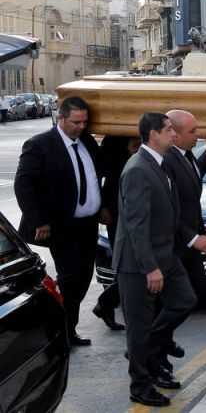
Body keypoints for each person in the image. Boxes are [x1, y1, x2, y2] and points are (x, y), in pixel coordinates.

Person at [114, 112, 198, 407]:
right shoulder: (138, 168)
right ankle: (140, 384)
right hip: (138, 264)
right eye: (168, 130)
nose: (174, 135)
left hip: (166, 254)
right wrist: (150, 267)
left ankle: (150, 347)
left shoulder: (160, 164)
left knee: (185, 300)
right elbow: (137, 225)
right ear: (153, 134)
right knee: (138, 327)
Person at [15, 96, 103, 347]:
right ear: (60, 118)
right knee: (70, 276)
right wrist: (39, 220)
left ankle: (68, 327)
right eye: (76, 122)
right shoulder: (40, 145)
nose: (81, 127)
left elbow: (97, 176)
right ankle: (59, 331)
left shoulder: (86, 142)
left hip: (88, 224)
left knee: (84, 276)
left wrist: (103, 206)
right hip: (61, 225)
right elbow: (24, 186)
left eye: (85, 122)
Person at [164, 111, 206, 300]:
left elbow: (191, 177)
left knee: (198, 290)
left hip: (192, 236)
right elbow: (167, 208)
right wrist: (193, 238)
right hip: (177, 240)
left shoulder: (186, 154)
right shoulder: (167, 160)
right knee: (181, 298)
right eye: (193, 131)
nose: (198, 134)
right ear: (175, 135)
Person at [92, 135, 139, 333]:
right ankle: (106, 303)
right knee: (127, 264)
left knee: (135, 264)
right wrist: (102, 205)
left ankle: (106, 304)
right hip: (115, 210)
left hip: (137, 207)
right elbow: (97, 174)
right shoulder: (113, 141)